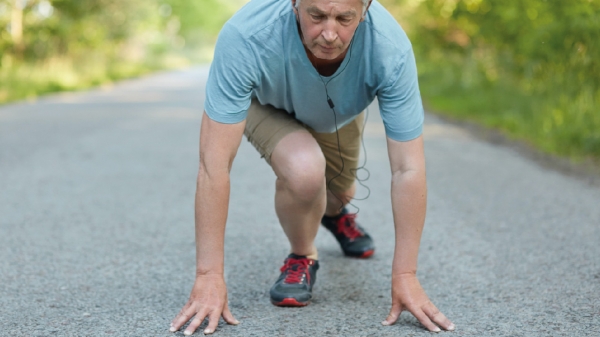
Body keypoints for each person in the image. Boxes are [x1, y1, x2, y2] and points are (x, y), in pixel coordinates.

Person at [170, 0, 455, 334]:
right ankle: (302, 254)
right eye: (316, 16)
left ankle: (335, 213)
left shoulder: (390, 49)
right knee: (305, 172)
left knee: (340, 191)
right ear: (294, 4)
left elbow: (408, 168)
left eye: (345, 18)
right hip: (267, 104)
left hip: (338, 112)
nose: (329, 34)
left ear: (365, 10)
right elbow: (213, 166)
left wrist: (406, 276)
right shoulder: (246, 36)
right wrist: (208, 276)